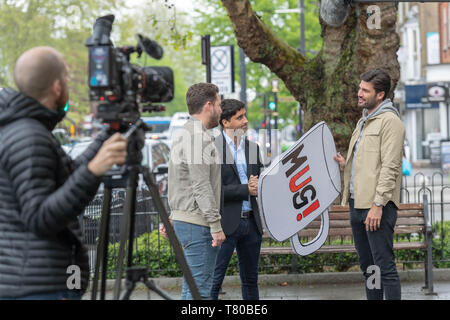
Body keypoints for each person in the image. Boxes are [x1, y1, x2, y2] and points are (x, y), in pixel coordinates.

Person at [0, 47, 128, 300]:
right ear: (57, 87)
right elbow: (39, 217)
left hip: (38, 283)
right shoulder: (29, 137)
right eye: (67, 79)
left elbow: (67, 176)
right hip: (38, 289)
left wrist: (108, 134)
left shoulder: (28, 129)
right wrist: (94, 171)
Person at [334, 69, 405, 300]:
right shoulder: (364, 121)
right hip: (357, 203)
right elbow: (368, 164)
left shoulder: (390, 122)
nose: (359, 93)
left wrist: (378, 205)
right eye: (360, 88)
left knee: (384, 267)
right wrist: (347, 165)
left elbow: (390, 167)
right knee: (370, 269)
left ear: (381, 94)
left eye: (365, 90)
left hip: (376, 207)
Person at [162, 83, 226, 300]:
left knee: (191, 290)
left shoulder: (185, 132)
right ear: (208, 105)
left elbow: (180, 180)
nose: (220, 109)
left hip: (187, 220)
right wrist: (216, 225)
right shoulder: (197, 136)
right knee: (201, 293)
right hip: (198, 224)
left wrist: (174, 215)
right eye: (218, 104)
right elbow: (200, 184)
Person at [210, 99, 264, 300]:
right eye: (239, 117)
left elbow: (259, 182)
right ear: (225, 122)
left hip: (251, 222)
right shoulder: (212, 148)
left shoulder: (252, 148)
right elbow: (212, 190)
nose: (245, 121)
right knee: (214, 281)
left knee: (251, 281)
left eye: (245, 115)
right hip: (225, 224)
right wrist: (245, 190)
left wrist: (260, 186)